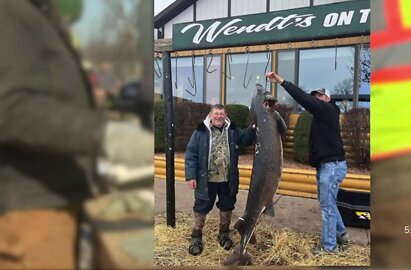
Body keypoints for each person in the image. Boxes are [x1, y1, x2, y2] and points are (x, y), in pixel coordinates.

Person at [0, 1, 152, 268]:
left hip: (56, 197)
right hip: (31, 206)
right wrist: (105, 135)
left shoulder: (36, 15)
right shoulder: (10, 13)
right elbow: (10, 107)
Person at [266, 72, 349, 255]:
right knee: (328, 203)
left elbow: (303, 98)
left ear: (328, 98)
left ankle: (329, 247)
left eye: (320, 96)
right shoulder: (323, 116)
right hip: (328, 165)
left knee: (327, 207)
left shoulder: (328, 110)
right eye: (315, 97)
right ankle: (341, 235)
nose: (316, 100)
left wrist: (281, 81)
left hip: (332, 166)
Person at [185, 104, 255, 256]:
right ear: (210, 115)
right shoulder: (200, 131)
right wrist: (191, 176)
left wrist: (254, 126)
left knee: (227, 206)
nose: (219, 116)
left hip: (227, 179)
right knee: (202, 206)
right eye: (216, 113)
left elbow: (246, 138)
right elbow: (191, 154)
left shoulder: (232, 130)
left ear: (226, 115)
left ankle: (224, 234)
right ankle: (196, 236)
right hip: (206, 180)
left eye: (221, 114)